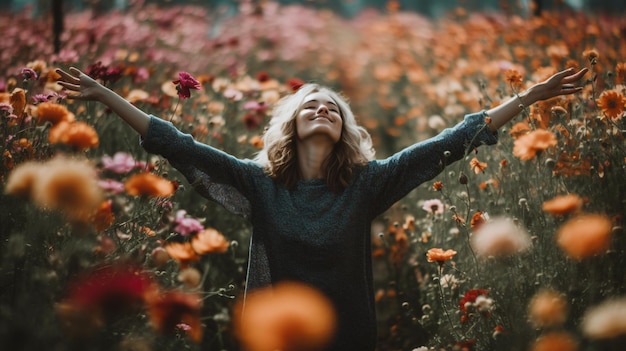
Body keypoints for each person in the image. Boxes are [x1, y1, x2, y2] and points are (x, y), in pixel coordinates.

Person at [56, 66, 587, 350]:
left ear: (344, 131)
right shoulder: (258, 182)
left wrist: (530, 97)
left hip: (348, 338)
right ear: (291, 124)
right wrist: (106, 96)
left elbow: (451, 142)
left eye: (333, 107)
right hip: (273, 338)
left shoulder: (368, 183)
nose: (322, 108)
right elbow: (178, 144)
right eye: (311, 103)